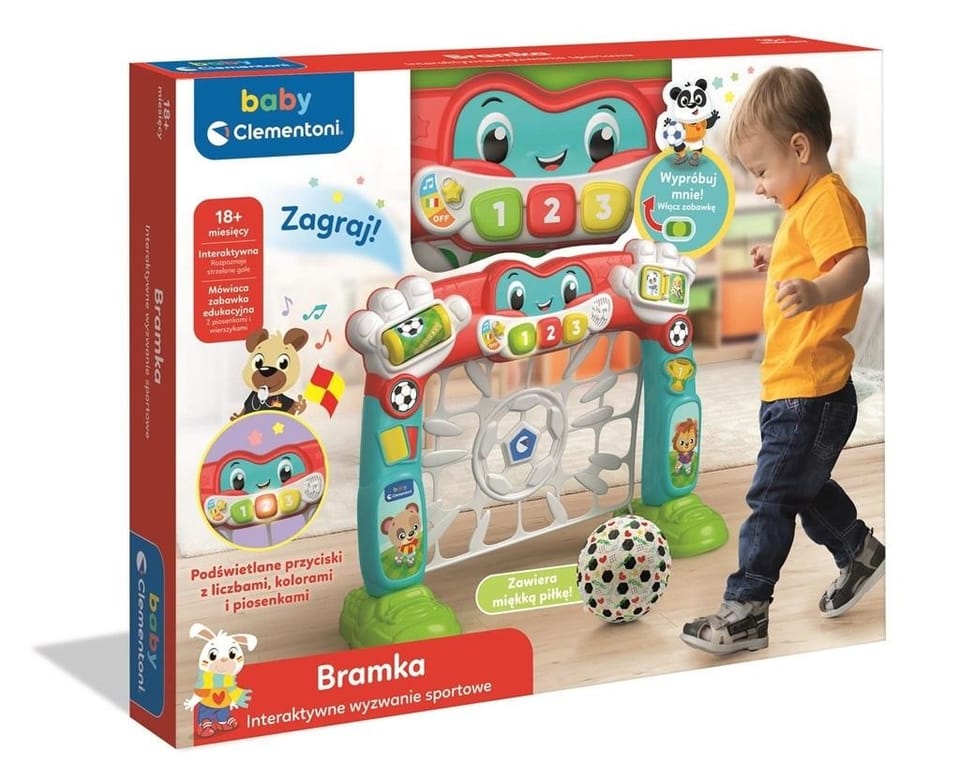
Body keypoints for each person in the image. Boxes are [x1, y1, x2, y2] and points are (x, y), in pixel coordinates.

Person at [680, 66, 885, 655]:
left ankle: (747, 609)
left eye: (761, 171)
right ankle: (859, 551)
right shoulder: (806, 206)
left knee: (771, 497)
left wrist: (818, 290)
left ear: (800, 147)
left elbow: (854, 264)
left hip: (810, 391)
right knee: (803, 488)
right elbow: (813, 252)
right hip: (794, 385)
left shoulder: (828, 201)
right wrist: (782, 256)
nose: (759, 187)